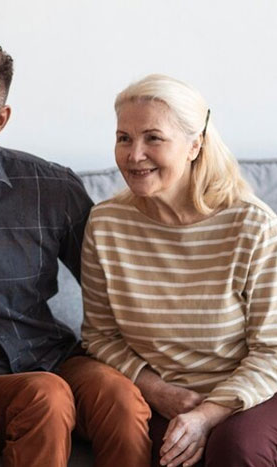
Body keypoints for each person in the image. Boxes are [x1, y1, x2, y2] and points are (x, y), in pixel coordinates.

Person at [0, 36, 150, 467]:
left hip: (52, 357)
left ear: (0, 119)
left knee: (121, 399)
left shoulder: (50, 188)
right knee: (45, 397)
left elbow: (115, 290)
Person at [82, 74, 277, 467]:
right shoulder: (105, 225)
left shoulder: (252, 224)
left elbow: (272, 349)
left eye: (153, 138)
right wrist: (157, 392)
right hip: (159, 395)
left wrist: (208, 415)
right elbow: (99, 336)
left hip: (253, 393)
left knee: (235, 449)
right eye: (124, 138)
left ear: (194, 145)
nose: (134, 155)